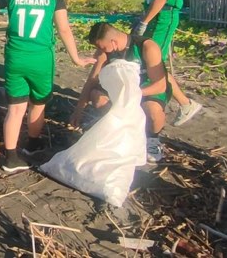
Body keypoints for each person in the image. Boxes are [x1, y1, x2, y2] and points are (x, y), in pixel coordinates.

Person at [0, 0, 95, 173]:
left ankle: (11, 158)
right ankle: (32, 144)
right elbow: (64, 29)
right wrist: (76, 58)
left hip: (16, 58)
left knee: (15, 109)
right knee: (38, 105)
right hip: (41, 60)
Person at [70, 22, 170, 163]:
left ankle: (152, 139)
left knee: (153, 110)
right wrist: (78, 110)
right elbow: (92, 80)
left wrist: (132, 93)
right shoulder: (104, 52)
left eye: (101, 47)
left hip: (146, 88)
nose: (99, 50)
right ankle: (114, 129)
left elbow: (160, 86)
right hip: (119, 89)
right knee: (97, 96)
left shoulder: (147, 47)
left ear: (113, 42)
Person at [134, 0, 202, 126]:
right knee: (147, 60)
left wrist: (145, 22)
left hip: (164, 17)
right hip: (154, 16)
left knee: (154, 61)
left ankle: (185, 103)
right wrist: (144, 16)